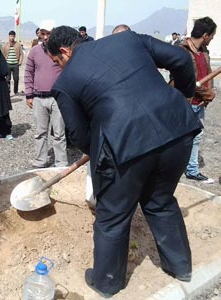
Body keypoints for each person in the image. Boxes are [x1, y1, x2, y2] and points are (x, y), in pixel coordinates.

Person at [47, 26, 202, 297]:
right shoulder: (127, 40)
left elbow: (79, 135)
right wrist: (184, 95)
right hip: (176, 131)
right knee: (160, 201)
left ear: (64, 51)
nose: (59, 67)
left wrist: (100, 149)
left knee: (112, 217)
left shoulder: (65, 83)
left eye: (57, 62)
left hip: (127, 147)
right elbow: (180, 59)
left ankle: (107, 282)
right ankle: (181, 268)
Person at [24, 20, 68, 168]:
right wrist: (29, 95)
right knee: (40, 132)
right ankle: (40, 160)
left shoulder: (61, 51)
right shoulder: (35, 51)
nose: (45, 36)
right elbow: (29, 72)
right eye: (43, 33)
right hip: (39, 98)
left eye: (48, 33)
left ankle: (61, 162)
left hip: (57, 98)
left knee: (59, 133)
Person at [179, 17, 217, 184]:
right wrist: (207, 93)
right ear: (205, 35)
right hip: (183, 103)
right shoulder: (182, 51)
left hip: (199, 103)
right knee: (178, 137)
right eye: (212, 36)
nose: (213, 39)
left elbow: (207, 75)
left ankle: (192, 170)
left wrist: (207, 96)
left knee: (197, 136)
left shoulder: (204, 52)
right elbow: (186, 80)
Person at [2, 30, 23, 95]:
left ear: (14, 37)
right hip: (7, 64)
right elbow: (3, 55)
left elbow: (21, 54)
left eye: (13, 36)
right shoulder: (5, 45)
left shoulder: (18, 45)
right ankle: (8, 91)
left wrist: (20, 62)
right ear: (8, 37)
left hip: (15, 64)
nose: (11, 37)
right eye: (10, 36)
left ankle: (15, 91)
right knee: (7, 79)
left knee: (16, 79)